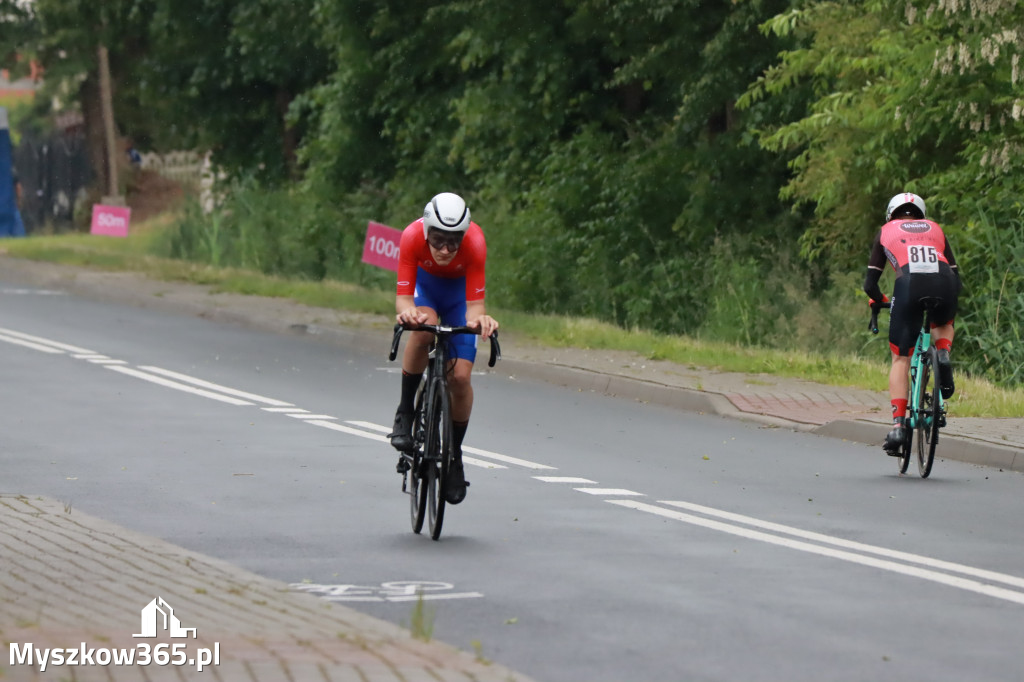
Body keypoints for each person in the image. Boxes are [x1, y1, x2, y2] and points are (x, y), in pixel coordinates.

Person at [388, 192, 499, 504]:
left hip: (459, 297)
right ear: (426, 231)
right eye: (438, 240)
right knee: (422, 331)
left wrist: (483, 322)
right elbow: (404, 298)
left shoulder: (475, 242)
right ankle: (405, 411)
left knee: (461, 378)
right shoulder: (411, 237)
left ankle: (456, 457)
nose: (446, 250)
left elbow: (475, 308)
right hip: (426, 290)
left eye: (454, 242)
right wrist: (408, 313)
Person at [864, 192, 961, 456]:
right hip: (944, 281)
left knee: (901, 359)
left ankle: (898, 426)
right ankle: (942, 351)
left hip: (908, 284)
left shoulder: (886, 230)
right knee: (943, 322)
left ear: (891, 214)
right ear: (921, 214)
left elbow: (870, 285)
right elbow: (955, 274)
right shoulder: (935, 228)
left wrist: (881, 300)